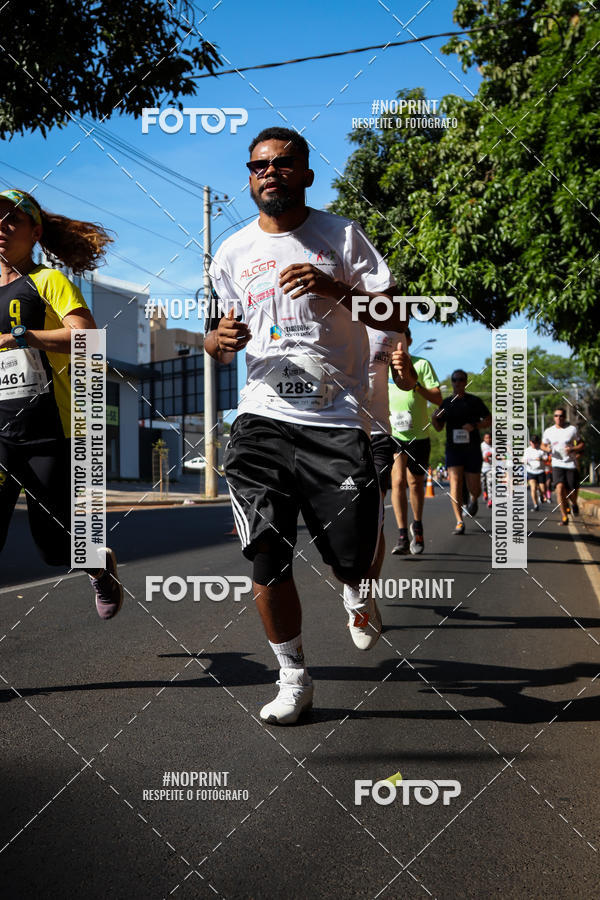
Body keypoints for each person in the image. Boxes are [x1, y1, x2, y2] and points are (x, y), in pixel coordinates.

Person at [205, 127, 409, 725]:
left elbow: (397, 312)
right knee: (266, 553)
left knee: (349, 557)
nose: (270, 172)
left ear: (307, 174)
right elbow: (217, 337)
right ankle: (293, 676)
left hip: (336, 420)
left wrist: (335, 287)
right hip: (262, 417)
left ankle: (356, 588)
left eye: (284, 163)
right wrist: (217, 340)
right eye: (259, 166)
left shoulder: (341, 235)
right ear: (251, 178)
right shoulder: (232, 253)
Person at [0, 189, 123, 618]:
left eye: (11, 220)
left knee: (56, 549)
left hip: (47, 431)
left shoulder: (47, 281)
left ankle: (98, 566)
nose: (1, 227)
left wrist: (23, 336)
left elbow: (89, 340)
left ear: (34, 231)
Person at [388, 328, 442, 554]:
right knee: (398, 481)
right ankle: (402, 535)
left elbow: (438, 398)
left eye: (402, 338)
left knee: (415, 483)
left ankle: (417, 527)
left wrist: (415, 383)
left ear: (409, 340)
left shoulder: (421, 365)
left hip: (418, 435)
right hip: (393, 433)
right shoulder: (384, 367)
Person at [431, 369, 492, 534]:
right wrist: (433, 419)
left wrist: (475, 425)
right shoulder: (446, 403)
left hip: (472, 449)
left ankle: (473, 499)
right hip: (453, 449)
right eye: (454, 380)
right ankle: (459, 521)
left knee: (475, 487)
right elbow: (438, 428)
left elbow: (489, 420)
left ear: (465, 382)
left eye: (460, 380)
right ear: (452, 382)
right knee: (455, 483)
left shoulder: (474, 401)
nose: (457, 383)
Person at [541, 409, 584, 525]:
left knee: (572, 491)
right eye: (556, 415)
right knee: (559, 489)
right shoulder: (549, 431)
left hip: (570, 464)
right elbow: (542, 445)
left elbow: (581, 444)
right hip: (557, 464)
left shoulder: (572, 430)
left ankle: (574, 504)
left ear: (565, 417)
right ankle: (564, 517)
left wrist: (572, 449)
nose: (558, 418)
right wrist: (547, 449)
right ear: (554, 417)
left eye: (561, 416)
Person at [524, 435, 546, 511]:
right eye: (532, 442)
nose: (534, 444)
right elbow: (523, 459)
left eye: (535, 442)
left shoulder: (541, 450)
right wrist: (525, 461)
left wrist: (541, 459)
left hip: (540, 471)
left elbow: (546, 459)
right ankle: (536, 505)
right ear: (530, 442)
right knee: (533, 488)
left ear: (538, 443)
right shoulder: (527, 450)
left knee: (542, 489)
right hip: (531, 471)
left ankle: (541, 495)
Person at [480, 432, 493, 508]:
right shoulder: (481, 446)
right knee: (483, 483)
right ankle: (485, 492)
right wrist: (484, 458)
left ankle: (490, 500)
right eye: (487, 438)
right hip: (482, 468)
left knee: (490, 483)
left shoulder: (494, 446)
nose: (488, 439)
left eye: (490, 438)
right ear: (484, 439)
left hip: (491, 468)